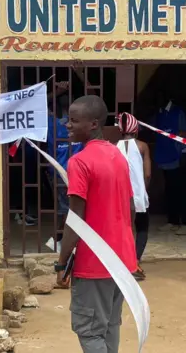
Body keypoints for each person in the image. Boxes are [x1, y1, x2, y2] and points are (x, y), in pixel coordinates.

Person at [54, 95, 137, 353]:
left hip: (94, 262)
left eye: (74, 120)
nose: (68, 125)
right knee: (110, 326)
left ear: (93, 124)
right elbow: (131, 209)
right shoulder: (118, 156)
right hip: (122, 259)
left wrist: (61, 262)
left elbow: (75, 218)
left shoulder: (79, 162)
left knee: (89, 332)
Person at [46, 86, 83, 251]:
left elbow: (39, 106)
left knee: (65, 208)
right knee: (74, 209)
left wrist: (56, 91)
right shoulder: (80, 125)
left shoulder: (52, 124)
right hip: (77, 174)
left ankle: (60, 239)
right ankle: (62, 240)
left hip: (58, 173)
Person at [152, 90, 186, 236]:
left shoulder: (178, 112)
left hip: (177, 158)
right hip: (165, 158)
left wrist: (184, 153)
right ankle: (173, 221)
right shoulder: (160, 113)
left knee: (182, 191)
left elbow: (185, 134)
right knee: (170, 190)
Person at [116, 112, 151, 281]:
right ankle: (135, 262)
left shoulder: (114, 147)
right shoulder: (142, 146)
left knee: (125, 228)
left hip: (121, 195)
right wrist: (144, 191)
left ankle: (123, 262)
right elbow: (148, 173)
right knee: (142, 228)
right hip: (137, 194)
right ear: (136, 130)